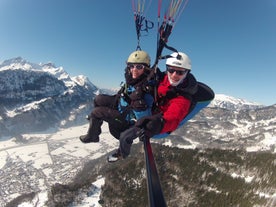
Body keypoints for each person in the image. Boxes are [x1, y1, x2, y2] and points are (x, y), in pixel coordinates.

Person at [118, 51, 198, 159]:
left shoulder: (183, 98)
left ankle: (123, 154)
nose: (174, 75)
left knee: (125, 136)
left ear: (186, 73)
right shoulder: (163, 78)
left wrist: (158, 124)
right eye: (171, 70)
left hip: (159, 125)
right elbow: (150, 75)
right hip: (153, 110)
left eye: (180, 72)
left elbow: (173, 118)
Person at [79, 50, 154, 161]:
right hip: (121, 103)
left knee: (96, 112)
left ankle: (93, 136)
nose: (134, 70)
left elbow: (145, 118)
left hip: (126, 117)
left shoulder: (146, 89)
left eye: (139, 67)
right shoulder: (134, 79)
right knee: (98, 99)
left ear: (146, 69)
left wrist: (139, 104)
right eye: (131, 66)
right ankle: (95, 122)